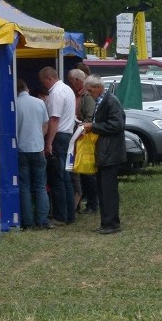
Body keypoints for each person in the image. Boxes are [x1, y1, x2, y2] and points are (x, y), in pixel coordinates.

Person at [81, 75, 126, 234]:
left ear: (99, 87)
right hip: (104, 152)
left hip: (110, 152)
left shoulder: (111, 101)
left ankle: (112, 223)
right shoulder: (102, 101)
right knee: (102, 189)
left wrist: (93, 126)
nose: (89, 93)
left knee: (108, 190)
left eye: (91, 90)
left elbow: (117, 125)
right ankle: (106, 222)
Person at [38, 66, 77, 225]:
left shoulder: (56, 93)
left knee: (57, 178)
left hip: (59, 136)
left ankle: (60, 216)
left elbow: (54, 120)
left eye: (43, 82)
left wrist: (48, 143)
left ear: (49, 79)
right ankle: (69, 214)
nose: (44, 86)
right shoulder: (67, 89)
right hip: (67, 134)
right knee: (65, 177)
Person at [15, 79, 55, 230]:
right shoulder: (39, 103)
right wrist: (41, 138)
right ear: (27, 88)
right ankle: (43, 220)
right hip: (37, 148)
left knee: (24, 187)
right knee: (40, 186)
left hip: (21, 149)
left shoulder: (14, 104)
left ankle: (27, 221)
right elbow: (45, 125)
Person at [68, 68, 99, 214]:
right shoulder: (77, 95)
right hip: (79, 138)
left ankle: (92, 204)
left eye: (71, 81)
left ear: (78, 81)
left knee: (88, 173)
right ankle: (84, 201)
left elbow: (89, 118)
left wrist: (81, 129)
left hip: (85, 139)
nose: (70, 84)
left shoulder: (87, 97)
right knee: (82, 172)